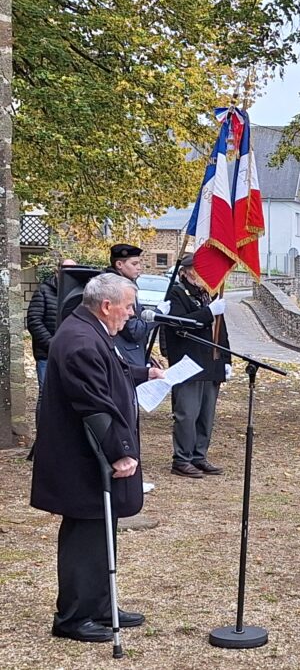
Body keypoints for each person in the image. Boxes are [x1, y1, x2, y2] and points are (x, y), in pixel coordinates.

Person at [30, 273, 164, 642]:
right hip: (81, 457)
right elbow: (94, 404)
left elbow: (111, 373)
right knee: (83, 536)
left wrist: (143, 372)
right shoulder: (80, 340)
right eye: (128, 305)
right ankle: (73, 617)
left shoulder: (91, 330)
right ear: (107, 306)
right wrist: (120, 453)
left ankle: (102, 604)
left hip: (89, 456)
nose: (132, 313)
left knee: (102, 529)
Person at [163, 255, 231, 478]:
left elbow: (220, 331)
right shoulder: (177, 294)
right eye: (197, 270)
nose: (202, 274)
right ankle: (182, 458)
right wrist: (208, 313)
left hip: (211, 363)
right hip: (188, 363)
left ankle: (199, 455)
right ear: (185, 272)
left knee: (206, 414)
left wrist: (226, 360)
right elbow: (179, 323)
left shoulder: (207, 295)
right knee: (187, 414)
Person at [27, 259, 77, 409]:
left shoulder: (78, 293)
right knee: (45, 394)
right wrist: (52, 344)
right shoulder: (44, 290)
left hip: (70, 354)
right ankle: (41, 431)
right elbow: (34, 321)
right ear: (57, 271)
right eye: (66, 270)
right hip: (46, 354)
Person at [104, 244, 155, 367]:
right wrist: (158, 315)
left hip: (134, 353)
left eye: (139, 264)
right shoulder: (116, 287)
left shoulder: (128, 284)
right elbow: (133, 331)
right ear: (119, 265)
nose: (139, 268)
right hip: (124, 355)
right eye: (134, 264)